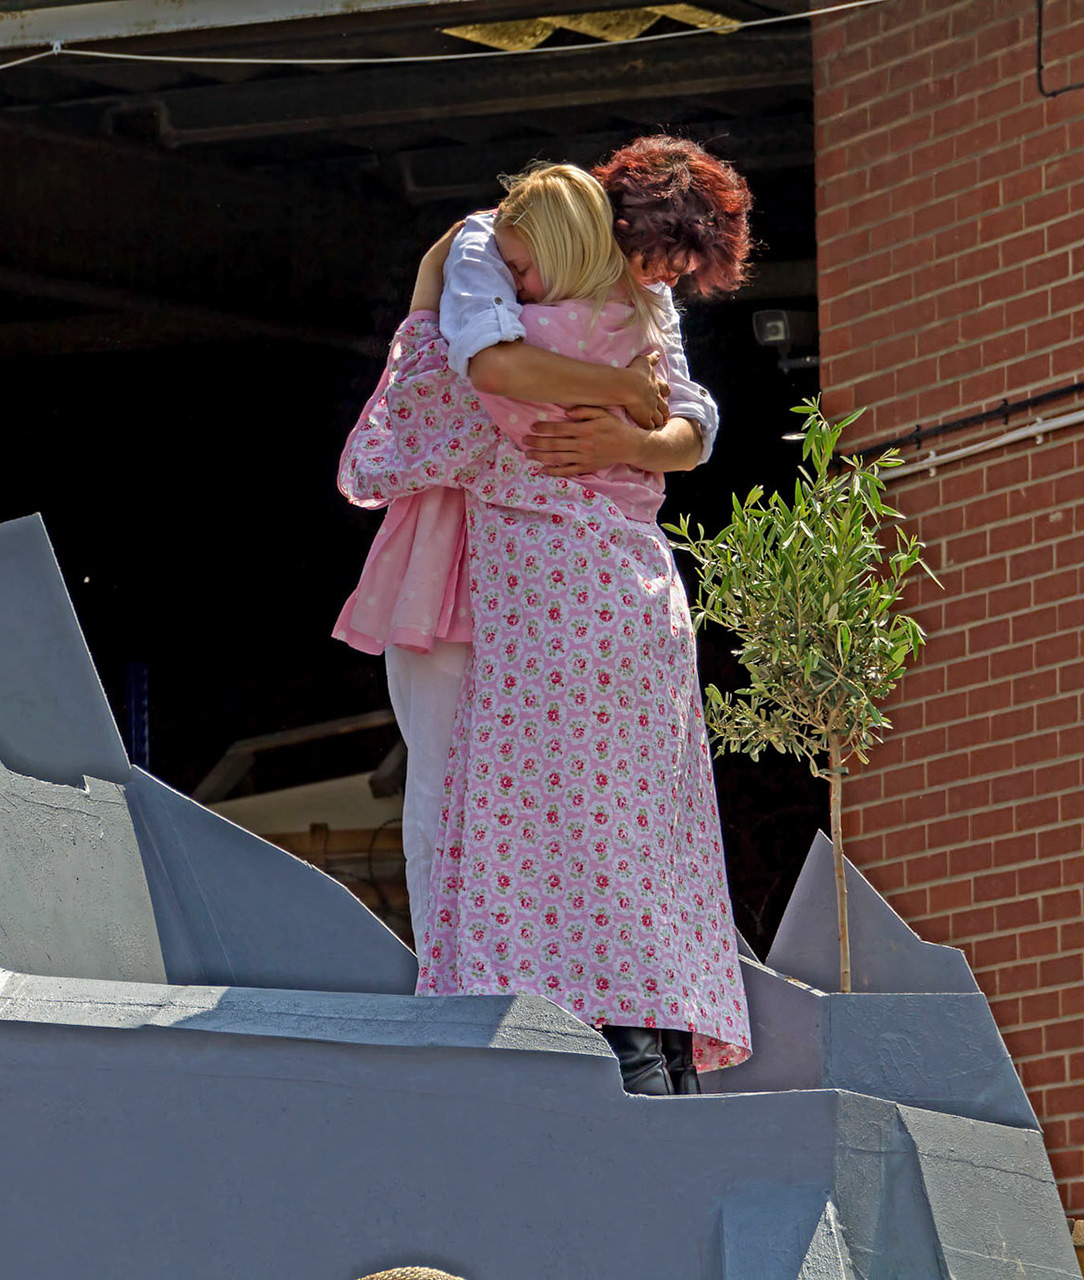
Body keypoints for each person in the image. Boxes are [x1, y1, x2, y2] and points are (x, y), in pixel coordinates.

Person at [335, 146, 753, 1096]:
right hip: (511, 566)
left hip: (557, 575)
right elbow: (489, 359)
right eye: (664, 258)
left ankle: (525, 1012)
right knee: (551, 809)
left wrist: (630, 437)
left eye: (681, 271)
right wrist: (624, 404)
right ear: (617, 226)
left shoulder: (629, 295)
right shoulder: (502, 250)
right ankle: (552, 1019)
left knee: (540, 810)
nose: (667, 281)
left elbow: (692, 422)